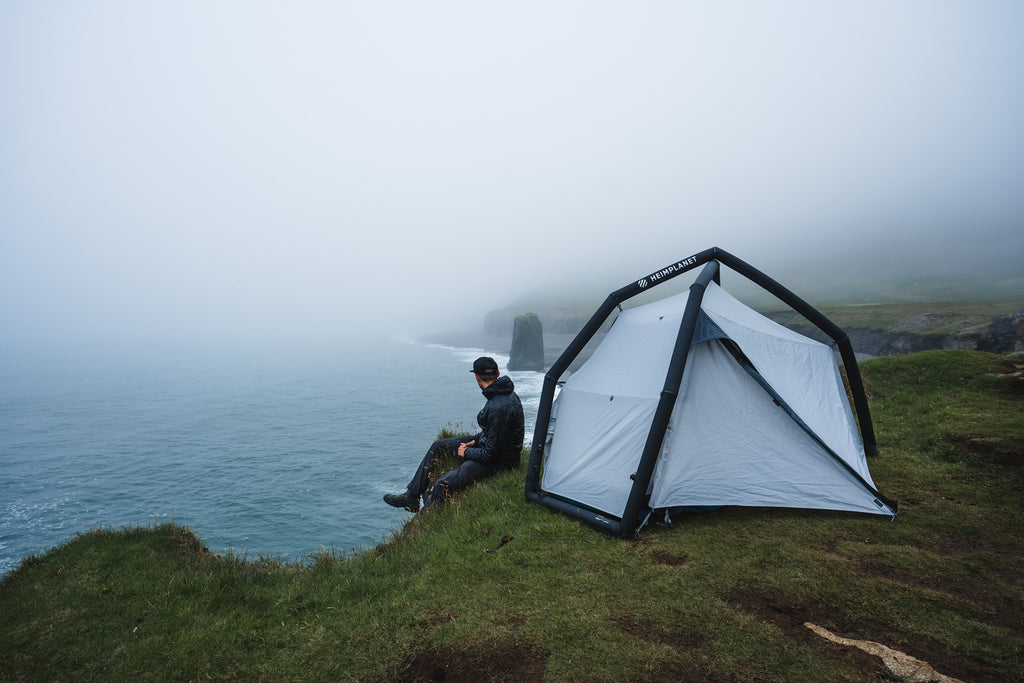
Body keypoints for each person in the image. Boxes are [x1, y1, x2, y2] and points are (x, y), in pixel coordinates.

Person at [384, 356, 525, 513]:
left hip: (502, 462)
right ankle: (411, 496)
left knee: (442, 484)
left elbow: (490, 455)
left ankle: (423, 523)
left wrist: (466, 452)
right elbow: (494, 432)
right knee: (438, 446)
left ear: (477, 377)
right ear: (498, 373)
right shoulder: (504, 394)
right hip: (497, 449)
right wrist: (475, 440)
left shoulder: (498, 406)